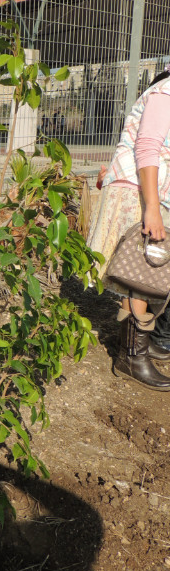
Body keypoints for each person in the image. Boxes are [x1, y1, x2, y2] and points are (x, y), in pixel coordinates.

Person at [87, 64, 170, 390]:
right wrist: (151, 208)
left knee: (142, 272)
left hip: (143, 191)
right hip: (139, 194)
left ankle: (133, 346)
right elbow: (147, 146)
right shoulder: (165, 92)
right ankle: (132, 357)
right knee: (144, 272)